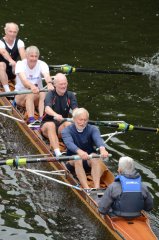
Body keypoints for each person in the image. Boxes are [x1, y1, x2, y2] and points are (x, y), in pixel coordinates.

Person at [61, 108, 109, 189]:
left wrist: (102, 149)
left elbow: (98, 139)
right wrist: (79, 152)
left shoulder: (93, 129)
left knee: (95, 156)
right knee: (78, 158)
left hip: (88, 159)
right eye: (80, 120)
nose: (83, 123)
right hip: (72, 160)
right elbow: (69, 144)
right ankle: (87, 189)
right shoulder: (66, 131)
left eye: (85, 120)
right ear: (74, 119)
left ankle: (96, 188)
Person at [40, 73, 78, 157]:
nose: (63, 86)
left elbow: (75, 110)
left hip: (60, 127)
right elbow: (47, 109)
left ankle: (72, 150)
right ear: (55, 85)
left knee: (69, 124)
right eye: (61, 84)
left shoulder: (70, 95)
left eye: (65, 84)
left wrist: (77, 116)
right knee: (51, 125)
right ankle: (57, 153)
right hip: (46, 125)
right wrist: (56, 115)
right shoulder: (50, 94)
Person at [14, 45, 54, 123]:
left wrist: (49, 83)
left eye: (36, 56)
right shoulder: (20, 64)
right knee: (31, 93)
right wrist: (32, 86)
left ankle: (41, 118)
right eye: (31, 56)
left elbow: (46, 75)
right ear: (26, 56)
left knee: (45, 93)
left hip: (37, 95)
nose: (34, 59)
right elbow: (25, 81)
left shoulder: (42, 64)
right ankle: (32, 121)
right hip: (20, 96)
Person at [0, 22, 26, 92]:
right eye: (10, 31)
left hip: (11, 70)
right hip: (1, 69)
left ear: (17, 33)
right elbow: (3, 52)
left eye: (14, 32)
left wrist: (25, 65)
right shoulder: (1, 42)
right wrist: (11, 61)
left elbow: (23, 56)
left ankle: (20, 89)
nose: (12, 34)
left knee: (20, 63)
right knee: (1, 64)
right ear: (5, 31)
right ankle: (7, 90)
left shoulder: (19, 42)